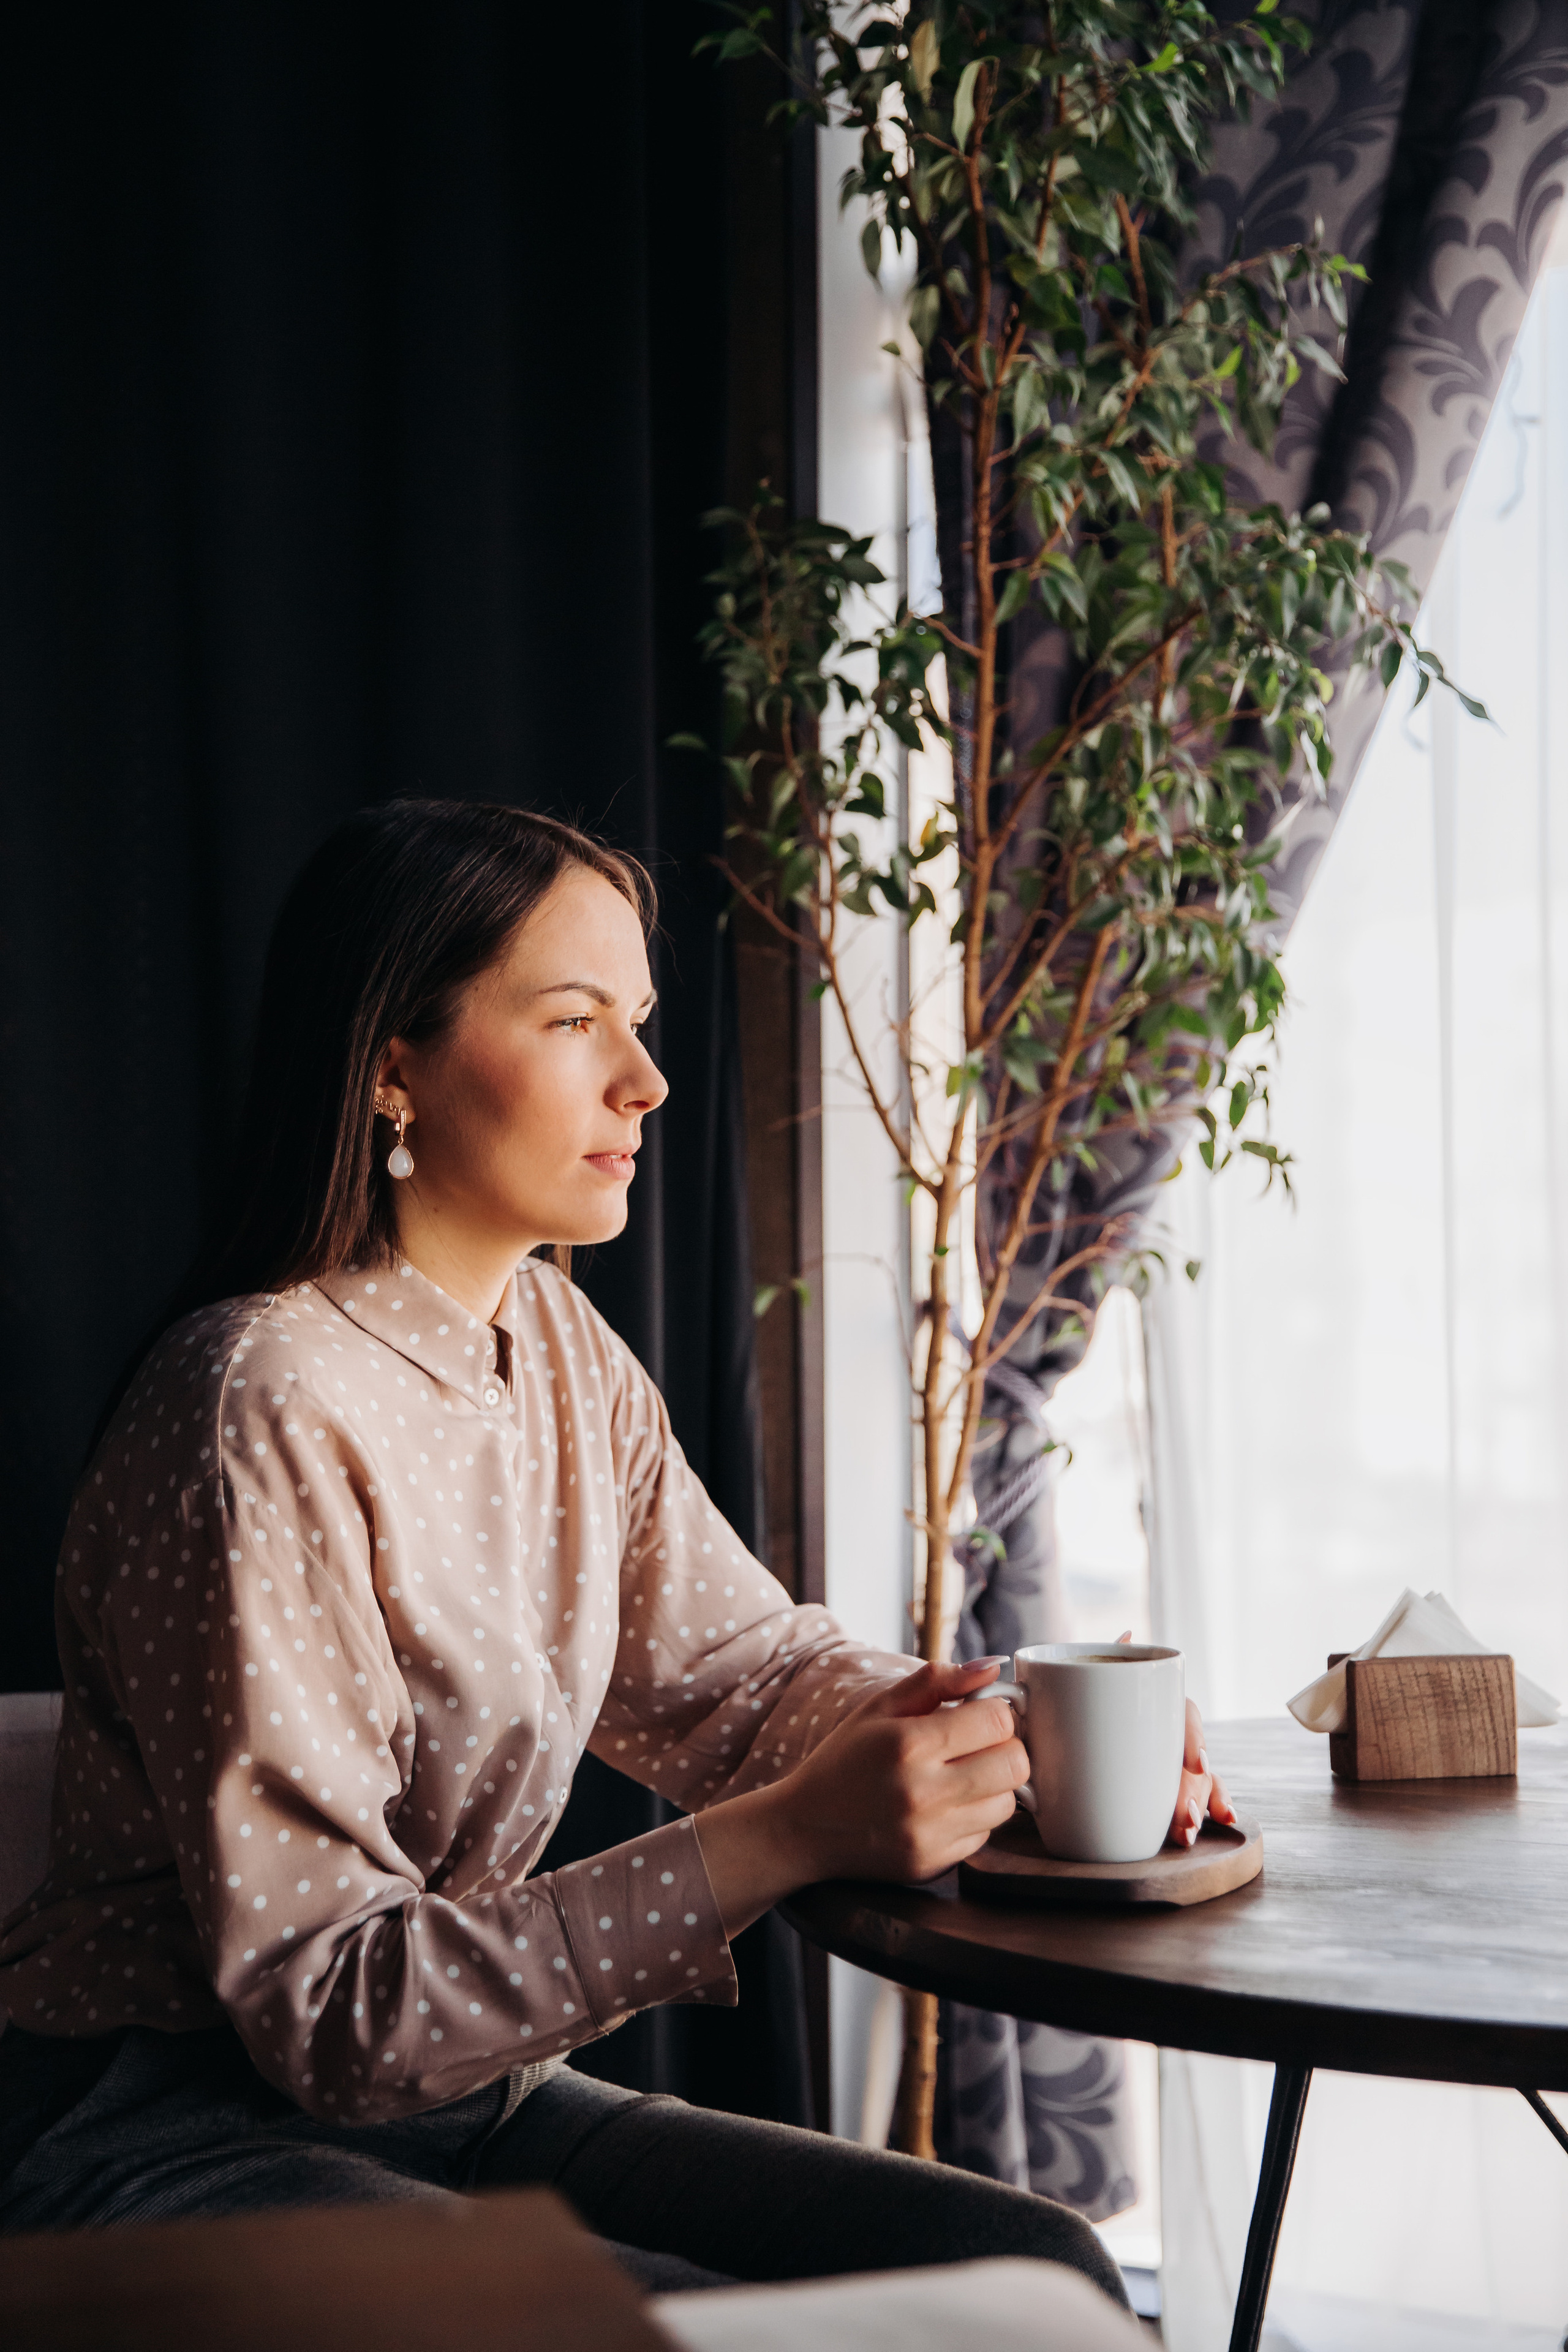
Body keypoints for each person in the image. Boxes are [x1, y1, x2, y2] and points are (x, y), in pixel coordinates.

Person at [0, 800, 1228, 2301]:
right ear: (393, 1062)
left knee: (1026, 2260)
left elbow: (743, 1675)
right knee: (683, 2324)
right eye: (576, 1021)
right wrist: (786, 1834)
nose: (645, 1082)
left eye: (636, 1023)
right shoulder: (257, 1399)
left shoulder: (556, 1344)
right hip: (164, 2136)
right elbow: (329, 2014)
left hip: (460, 2103)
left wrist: (1011, 1734)